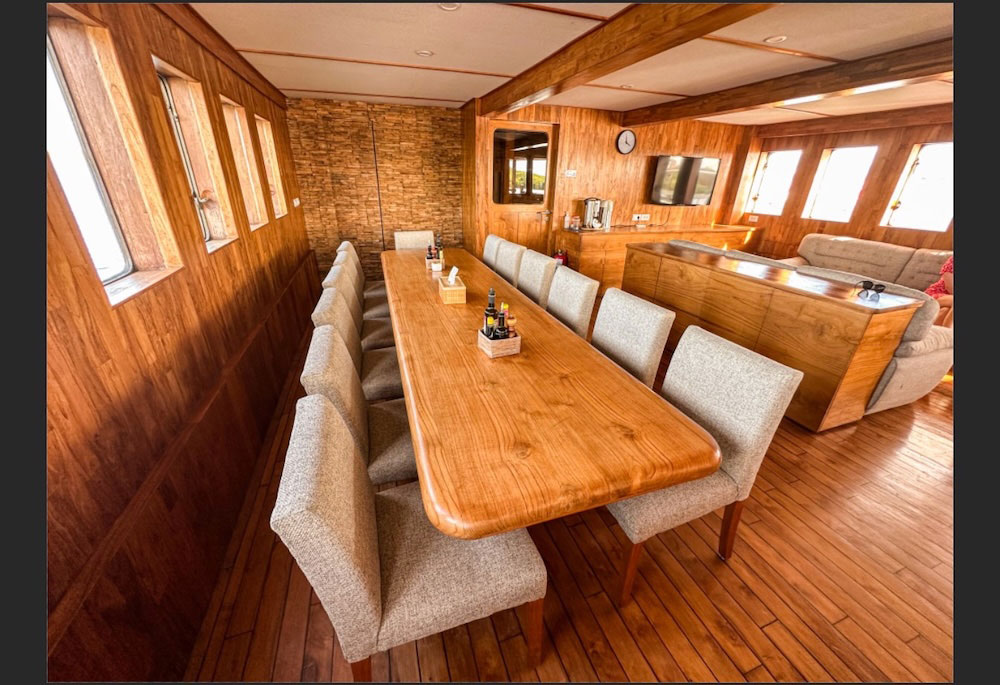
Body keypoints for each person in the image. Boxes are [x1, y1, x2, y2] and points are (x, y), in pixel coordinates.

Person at [924, 255, 953, 327]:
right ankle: (949, 334)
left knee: (945, 311)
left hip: (949, 303)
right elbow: (950, 287)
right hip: (936, 294)